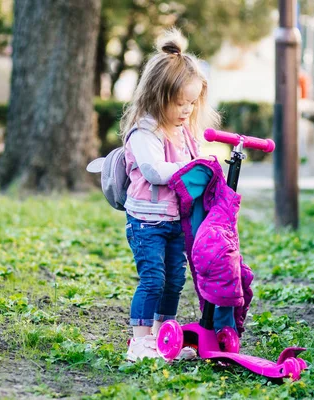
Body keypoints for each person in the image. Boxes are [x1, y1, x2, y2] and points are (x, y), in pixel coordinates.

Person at [119, 28, 220, 361]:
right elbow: (154, 171)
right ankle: (140, 340)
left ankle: (166, 335)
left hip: (176, 220)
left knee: (176, 279)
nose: (186, 110)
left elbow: (192, 167)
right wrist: (191, 170)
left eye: (192, 103)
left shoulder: (183, 132)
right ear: (157, 97)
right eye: (180, 103)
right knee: (153, 279)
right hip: (147, 222)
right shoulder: (144, 132)